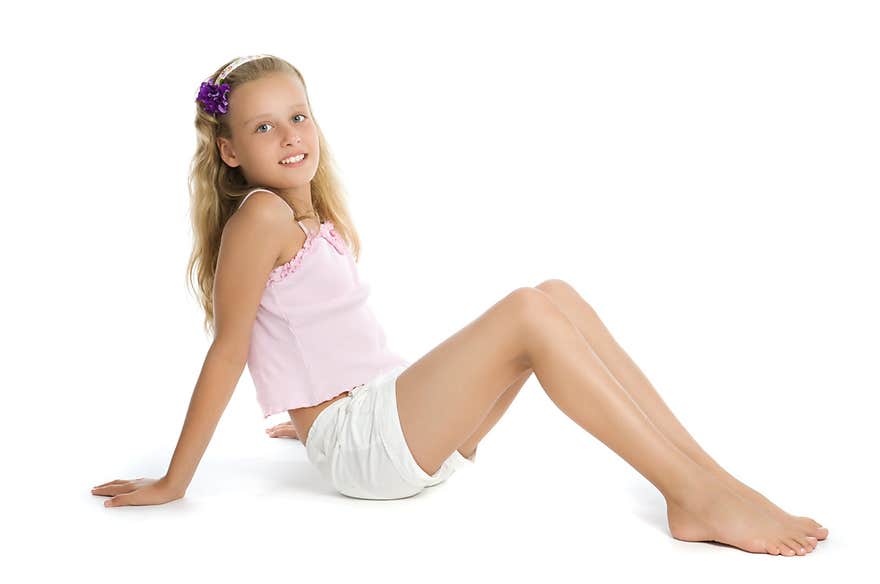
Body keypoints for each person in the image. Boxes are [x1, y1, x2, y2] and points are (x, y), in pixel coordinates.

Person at [91, 54, 828, 557]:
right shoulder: (261, 218)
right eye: (262, 127)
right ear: (228, 150)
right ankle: (692, 493)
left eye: (299, 115)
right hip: (368, 448)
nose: (290, 137)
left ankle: (708, 479)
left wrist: (306, 410)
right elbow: (230, 348)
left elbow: (306, 331)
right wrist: (175, 479)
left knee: (555, 295)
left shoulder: (312, 214)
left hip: (384, 422)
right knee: (527, 314)